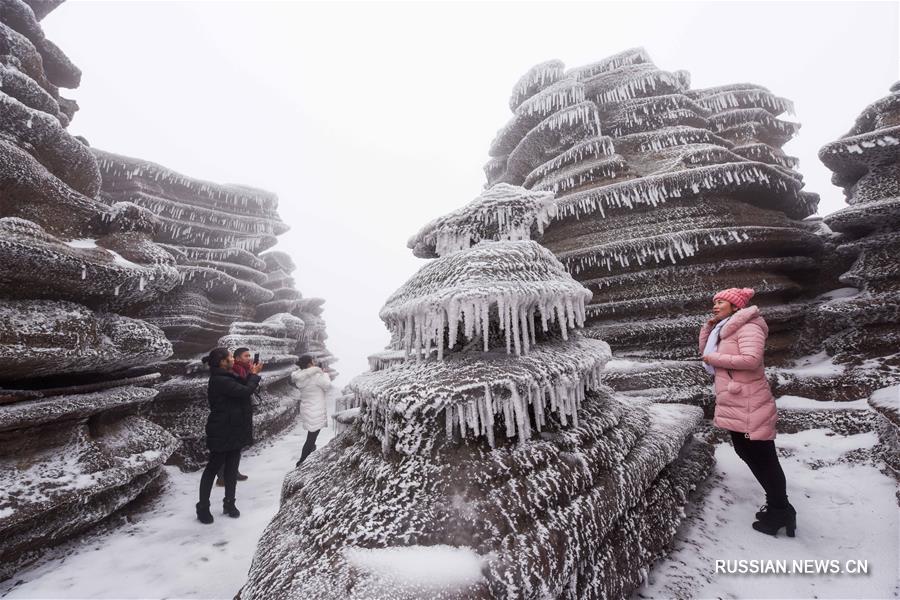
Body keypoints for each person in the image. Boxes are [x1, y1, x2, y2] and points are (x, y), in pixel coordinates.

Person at [699, 287, 796, 537]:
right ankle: (779, 506)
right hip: (735, 400)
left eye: (720, 301)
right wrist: (709, 330)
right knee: (745, 451)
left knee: (764, 456)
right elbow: (706, 354)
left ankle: (780, 510)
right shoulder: (725, 327)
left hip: (751, 400)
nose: (715, 305)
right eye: (714, 301)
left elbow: (751, 360)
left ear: (735, 306)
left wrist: (715, 359)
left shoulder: (749, 326)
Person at [196, 347, 263, 524]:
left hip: (235, 429)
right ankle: (203, 506)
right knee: (212, 468)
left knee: (232, 469)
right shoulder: (219, 380)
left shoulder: (228, 376)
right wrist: (255, 375)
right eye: (230, 357)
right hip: (222, 430)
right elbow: (244, 391)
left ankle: (229, 504)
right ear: (222, 361)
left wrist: (251, 374)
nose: (233, 360)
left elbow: (242, 386)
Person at [216, 347, 253, 486]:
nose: (249, 358)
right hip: (231, 413)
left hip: (239, 411)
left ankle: (233, 472)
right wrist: (253, 376)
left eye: (249, 355)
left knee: (235, 446)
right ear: (237, 358)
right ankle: (221, 477)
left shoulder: (244, 369)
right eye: (246, 356)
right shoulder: (235, 370)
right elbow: (243, 389)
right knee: (228, 446)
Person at [289, 354, 332, 467]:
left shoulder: (299, 376)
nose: (314, 362)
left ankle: (311, 450)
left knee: (311, 434)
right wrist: (325, 374)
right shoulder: (317, 375)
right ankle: (302, 461)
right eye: (312, 361)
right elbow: (327, 386)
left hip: (307, 407)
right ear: (309, 363)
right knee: (311, 437)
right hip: (316, 408)